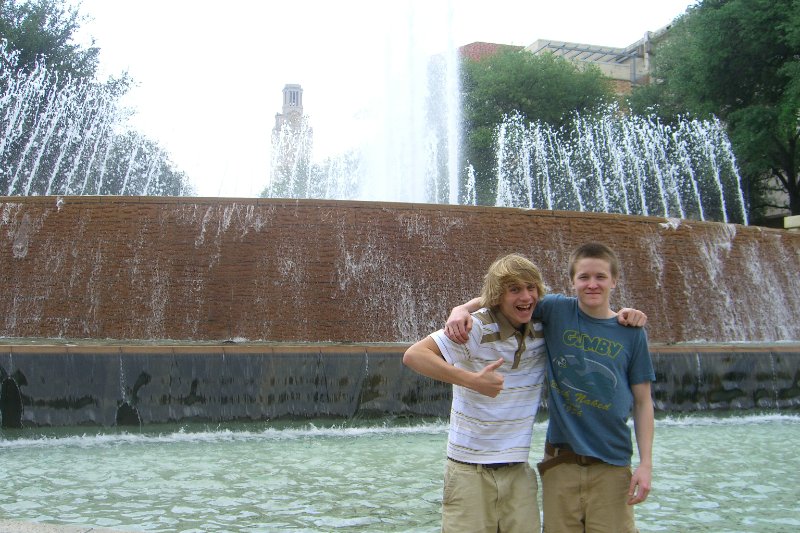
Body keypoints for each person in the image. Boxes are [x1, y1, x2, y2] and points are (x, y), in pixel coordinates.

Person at [446, 242, 654, 533]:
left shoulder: (631, 332)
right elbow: (501, 295)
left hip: (613, 463)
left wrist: (646, 464)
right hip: (560, 464)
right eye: (583, 277)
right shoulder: (556, 310)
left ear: (614, 281)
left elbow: (643, 402)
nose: (592, 284)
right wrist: (460, 308)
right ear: (572, 282)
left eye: (600, 277)